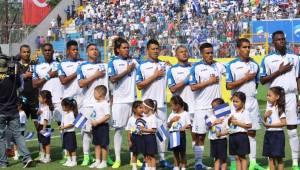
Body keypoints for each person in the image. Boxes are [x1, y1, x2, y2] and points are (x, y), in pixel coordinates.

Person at [260, 30, 300, 170]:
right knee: (271, 129)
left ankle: (295, 162)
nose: (282, 41)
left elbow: (298, 78)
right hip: (274, 100)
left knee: (292, 130)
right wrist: (279, 71)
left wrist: (299, 97)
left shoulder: (295, 57)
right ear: (273, 42)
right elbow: (263, 80)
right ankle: (271, 163)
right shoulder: (267, 59)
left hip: (290, 97)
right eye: (278, 39)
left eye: (283, 39)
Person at [226, 38, 263, 170]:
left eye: (249, 47)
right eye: (244, 47)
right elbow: (228, 85)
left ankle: (252, 163)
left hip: (252, 101)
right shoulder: (231, 65)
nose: (247, 49)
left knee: (251, 132)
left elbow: (256, 83)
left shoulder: (255, 64)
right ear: (238, 49)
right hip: (237, 103)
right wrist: (245, 79)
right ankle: (234, 163)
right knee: (234, 132)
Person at [136, 39, 172, 168]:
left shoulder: (165, 65)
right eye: (153, 49)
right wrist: (155, 75)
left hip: (161, 106)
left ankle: (162, 158)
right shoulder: (142, 66)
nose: (156, 51)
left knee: (162, 133)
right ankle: (147, 160)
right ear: (147, 50)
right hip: (147, 108)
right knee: (147, 134)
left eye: (157, 48)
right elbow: (139, 85)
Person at [189, 42, 225, 169]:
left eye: (211, 52)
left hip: (219, 107)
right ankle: (198, 162)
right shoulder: (196, 68)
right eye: (207, 53)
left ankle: (220, 163)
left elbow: (229, 73)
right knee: (201, 136)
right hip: (201, 107)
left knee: (221, 135)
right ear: (202, 54)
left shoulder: (219, 65)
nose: (210, 55)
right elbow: (193, 87)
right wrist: (209, 81)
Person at [108, 37, 139, 168]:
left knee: (134, 131)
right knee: (119, 130)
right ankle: (118, 159)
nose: (127, 50)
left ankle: (134, 158)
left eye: (128, 48)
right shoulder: (113, 62)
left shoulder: (134, 61)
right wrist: (127, 70)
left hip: (132, 102)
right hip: (119, 102)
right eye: (124, 48)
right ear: (117, 50)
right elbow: (113, 79)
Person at [77, 43, 109, 166]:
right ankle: (86, 156)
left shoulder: (105, 65)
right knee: (86, 132)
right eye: (91, 49)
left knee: (101, 134)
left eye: (96, 49)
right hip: (87, 105)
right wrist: (95, 75)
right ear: (87, 52)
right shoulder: (82, 66)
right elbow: (81, 83)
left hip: (102, 105)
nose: (94, 51)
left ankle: (103, 159)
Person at [0, 54, 34, 168]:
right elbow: (21, 88)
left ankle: (3, 162)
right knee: (18, 135)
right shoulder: (13, 75)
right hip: (13, 110)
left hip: (1, 111)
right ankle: (27, 157)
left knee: (1, 137)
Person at [58, 40, 82, 163]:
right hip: (69, 102)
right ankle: (67, 155)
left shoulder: (82, 62)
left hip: (82, 100)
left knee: (84, 128)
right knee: (68, 129)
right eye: (73, 49)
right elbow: (63, 81)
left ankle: (87, 155)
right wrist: (77, 72)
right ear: (68, 51)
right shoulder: (62, 64)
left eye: (77, 49)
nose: (76, 51)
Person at [167, 45, 196, 147]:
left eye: (186, 51)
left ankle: (198, 162)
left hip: (195, 106)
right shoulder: (172, 70)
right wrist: (185, 81)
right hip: (179, 109)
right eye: (181, 52)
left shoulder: (195, 67)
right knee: (175, 138)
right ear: (176, 55)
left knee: (196, 136)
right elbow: (172, 89)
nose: (184, 53)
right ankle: (176, 163)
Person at [32, 43, 64, 126]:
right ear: (42, 52)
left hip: (59, 100)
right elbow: (35, 85)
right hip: (44, 101)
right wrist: (48, 76)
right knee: (44, 128)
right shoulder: (37, 67)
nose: (47, 52)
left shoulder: (60, 65)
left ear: (53, 51)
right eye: (45, 50)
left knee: (62, 126)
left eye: (49, 50)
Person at [262, 86, 286, 170]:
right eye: (267, 95)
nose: (267, 97)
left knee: (279, 158)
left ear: (277, 97)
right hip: (268, 134)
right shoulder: (268, 108)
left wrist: (270, 126)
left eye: (269, 95)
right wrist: (264, 117)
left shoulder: (280, 109)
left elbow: (283, 123)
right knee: (271, 158)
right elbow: (265, 124)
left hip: (278, 135)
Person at [228, 92, 252, 170]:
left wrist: (237, 123)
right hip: (232, 136)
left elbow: (249, 125)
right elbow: (228, 124)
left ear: (243, 102)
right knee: (236, 157)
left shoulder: (245, 112)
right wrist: (229, 120)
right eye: (233, 101)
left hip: (241, 137)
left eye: (237, 101)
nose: (234, 103)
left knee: (242, 157)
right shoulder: (232, 112)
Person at [89, 85, 110, 169]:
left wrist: (97, 122)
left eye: (94, 93)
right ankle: (97, 161)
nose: (93, 94)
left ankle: (104, 162)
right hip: (95, 127)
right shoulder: (95, 103)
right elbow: (94, 115)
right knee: (96, 144)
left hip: (102, 127)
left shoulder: (105, 103)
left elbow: (107, 116)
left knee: (103, 145)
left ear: (100, 94)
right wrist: (92, 125)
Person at [167, 95, 191, 170]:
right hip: (173, 135)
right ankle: (176, 166)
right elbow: (168, 125)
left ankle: (183, 167)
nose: (171, 107)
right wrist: (172, 120)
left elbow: (189, 124)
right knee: (175, 152)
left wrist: (183, 128)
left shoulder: (185, 114)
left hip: (181, 135)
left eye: (172, 105)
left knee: (182, 152)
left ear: (177, 105)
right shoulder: (172, 114)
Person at [19, 45, 39, 129]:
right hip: (22, 99)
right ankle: (20, 142)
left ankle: (43, 142)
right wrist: (24, 75)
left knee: (39, 126)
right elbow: (10, 79)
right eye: (24, 52)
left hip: (35, 99)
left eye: (28, 52)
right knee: (21, 127)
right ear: (20, 53)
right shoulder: (16, 65)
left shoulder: (35, 64)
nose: (26, 54)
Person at [206, 98, 229, 170]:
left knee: (223, 159)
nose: (213, 109)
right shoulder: (211, 117)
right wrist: (214, 123)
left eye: (214, 107)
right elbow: (207, 128)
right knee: (216, 158)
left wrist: (222, 134)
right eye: (212, 107)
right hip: (213, 140)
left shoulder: (225, 117)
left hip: (221, 140)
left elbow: (229, 130)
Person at [59, 97, 78, 167]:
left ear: (68, 106)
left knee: (71, 148)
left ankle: (74, 161)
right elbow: (63, 122)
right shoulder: (65, 114)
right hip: (65, 133)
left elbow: (72, 124)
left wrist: (63, 127)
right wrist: (61, 126)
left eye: (63, 106)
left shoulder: (71, 114)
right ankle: (69, 160)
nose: (62, 107)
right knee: (67, 147)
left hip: (70, 133)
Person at [126, 101, 144, 170]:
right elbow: (129, 130)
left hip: (143, 137)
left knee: (145, 153)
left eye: (143, 108)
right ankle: (134, 166)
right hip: (134, 138)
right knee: (134, 153)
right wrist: (129, 140)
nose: (142, 109)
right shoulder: (131, 119)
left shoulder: (145, 118)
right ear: (134, 109)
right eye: (140, 108)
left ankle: (146, 165)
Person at [141, 99, 158, 170]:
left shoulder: (153, 117)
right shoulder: (144, 117)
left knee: (151, 155)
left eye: (143, 108)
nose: (142, 110)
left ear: (147, 108)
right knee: (146, 155)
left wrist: (143, 129)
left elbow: (154, 130)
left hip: (150, 138)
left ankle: (153, 168)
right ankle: (148, 167)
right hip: (144, 138)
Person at [37, 90, 53, 164]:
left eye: (40, 97)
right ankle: (42, 156)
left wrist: (43, 129)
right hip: (40, 126)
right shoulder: (42, 106)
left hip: (45, 127)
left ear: (45, 99)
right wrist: (38, 112)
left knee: (46, 143)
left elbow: (46, 120)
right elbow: (38, 114)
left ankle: (47, 157)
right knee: (42, 142)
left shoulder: (47, 108)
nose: (38, 98)